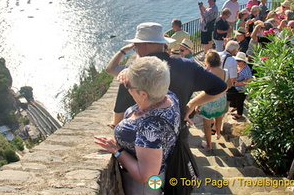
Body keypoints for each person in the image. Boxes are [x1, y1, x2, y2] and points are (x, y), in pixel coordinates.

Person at [112, 22, 227, 142]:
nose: (135, 50)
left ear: (143, 45)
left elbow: (120, 112)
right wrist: (192, 104)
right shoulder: (188, 66)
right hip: (177, 136)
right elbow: (220, 87)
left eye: (136, 46)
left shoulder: (133, 73)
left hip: (143, 141)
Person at [95, 57, 179, 194]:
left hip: (143, 187)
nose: (126, 86)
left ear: (143, 94)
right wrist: (129, 72)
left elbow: (145, 175)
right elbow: (152, 74)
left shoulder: (149, 127)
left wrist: (117, 150)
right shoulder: (169, 97)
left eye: (128, 85)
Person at [196, 50, 230, 150]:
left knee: (207, 123)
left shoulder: (207, 74)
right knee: (219, 117)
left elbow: (204, 90)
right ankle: (218, 134)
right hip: (221, 99)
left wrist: (198, 104)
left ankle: (208, 145)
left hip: (209, 100)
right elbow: (229, 85)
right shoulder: (225, 72)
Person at [231, 52, 252, 120]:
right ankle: (235, 106)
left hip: (242, 89)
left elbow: (249, 80)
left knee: (240, 101)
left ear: (243, 61)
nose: (237, 62)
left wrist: (239, 83)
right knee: (234, 98)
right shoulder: (238, 66)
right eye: (236, 60)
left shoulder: (246, 70)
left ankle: (239, 114)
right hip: (236, 87)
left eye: (239, 61)